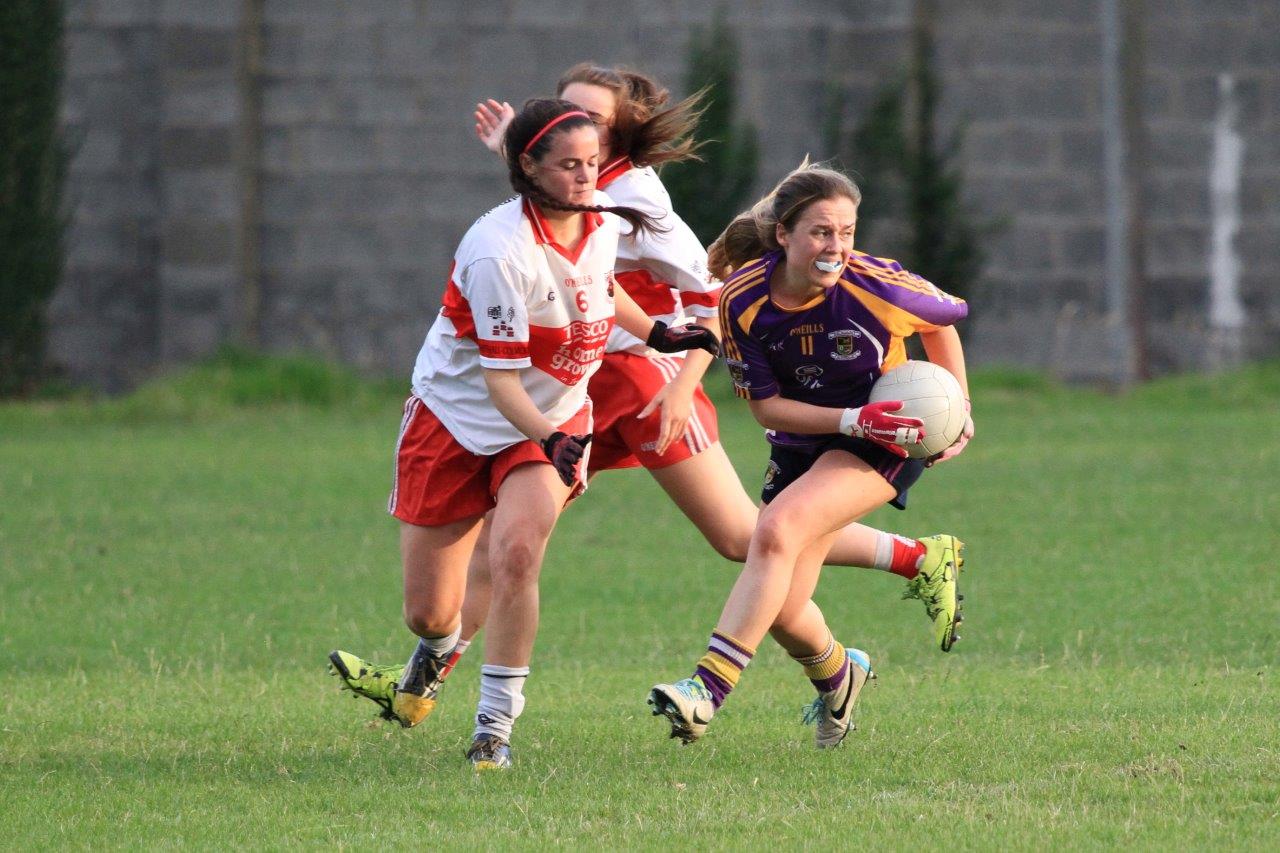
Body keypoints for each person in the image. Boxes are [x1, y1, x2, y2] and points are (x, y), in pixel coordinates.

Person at [331, 64, 964, 730]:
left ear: (621, 134)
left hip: (645, 386)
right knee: (504, 545)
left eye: (595, 122)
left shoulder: (634, 196)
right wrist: (508, 152)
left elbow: (706, 299)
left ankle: (911, 563)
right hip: (576, 389)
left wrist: (682, 386)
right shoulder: (569, 184)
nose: (578, 132)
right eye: (564, 114)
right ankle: (418, 684)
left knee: (748, 538)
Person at [348, 97, 717, 771]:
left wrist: (659, 332)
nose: (586, 179)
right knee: (432, 614)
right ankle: (432, 655)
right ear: (529, 168)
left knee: (518, 553)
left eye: (594, 165)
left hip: (550, 422)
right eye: (571, 166)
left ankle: (493, 731)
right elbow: (501, 386)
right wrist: (550, 438)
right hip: (457, 421)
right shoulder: (497, 252)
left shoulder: (599, 223)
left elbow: (602, 284)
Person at [648, 162, 973, 749]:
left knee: (774, 533)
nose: (837, 246)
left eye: (846, 232)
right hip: (806, 438)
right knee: (780, 601)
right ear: (784, 236)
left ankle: (705, 691)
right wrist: (850, 417)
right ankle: (840, 674)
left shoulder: (876, 285)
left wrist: (958, 408)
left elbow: (944, 318)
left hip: (886, 438)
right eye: (822, 232)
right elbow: (769, 410)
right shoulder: (742, 300)